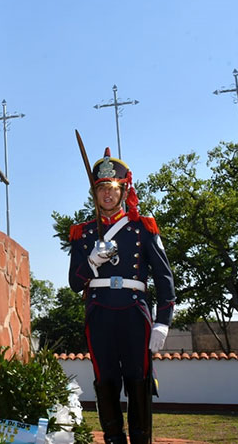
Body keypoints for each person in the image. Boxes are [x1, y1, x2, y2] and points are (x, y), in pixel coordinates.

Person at [68, 149, 176, 444]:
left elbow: (165, 279)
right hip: (100, 313)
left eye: (112, 189)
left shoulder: (143, 227)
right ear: (95, 193)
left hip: (133, 311)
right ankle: (113, 438)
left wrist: (163, 322)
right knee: (106, 380)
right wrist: (91, 262)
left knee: (137, 377)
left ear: (123, 190)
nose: (107, 195)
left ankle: (142, 439)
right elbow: (74, 284)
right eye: (101, 189)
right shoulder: (84, 233)